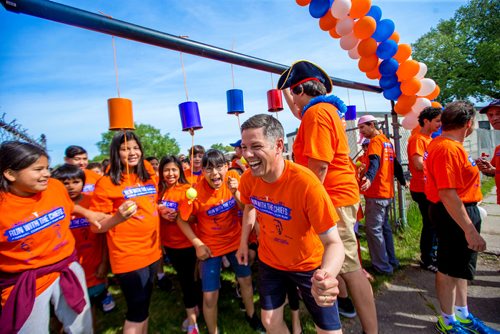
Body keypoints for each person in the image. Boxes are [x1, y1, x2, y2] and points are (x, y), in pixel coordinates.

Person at [278, 60, 377, 332]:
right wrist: (286, 89)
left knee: (349, 266)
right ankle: (342, 307)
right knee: (341, 262)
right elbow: (300, 113)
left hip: (332, 196)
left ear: (300, 91)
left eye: (293, 94)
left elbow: (319, 165)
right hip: (339, 195)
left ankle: (370, 329)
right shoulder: (323, 109)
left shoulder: (316, 114)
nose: (294, 105)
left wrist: (305, 202)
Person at [236, 114, 345, 334]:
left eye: (255, 146)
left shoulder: (306, 184)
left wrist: (326, 275)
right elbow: (249, 207)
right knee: (269, 320)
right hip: (270, 262)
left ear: (278, 145)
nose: (247, 155)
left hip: (307, 266)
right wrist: (242, 243)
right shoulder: (248, 179)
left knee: (328, 330)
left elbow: (334, 242)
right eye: (244, 146)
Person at [0, 141, 108, 333]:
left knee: (81, 326)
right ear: (10, 174)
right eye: (38, 169)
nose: (47, 174)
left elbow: (68, 205)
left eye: (47, 168)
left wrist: (87, 213)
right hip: (25, 282)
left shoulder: (55, 187)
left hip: (67, 267)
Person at [424, 101, 496, 334]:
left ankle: (462, 315)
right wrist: (469, 229)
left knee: (460, 267)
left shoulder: (450, 145)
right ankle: (447, 320)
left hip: (459, 210)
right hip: (454, 213)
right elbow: (447, 192)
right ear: (468, 123)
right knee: (448, 267)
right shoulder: (447, 148)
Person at [177, 149, 264, 334]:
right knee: (209, 296)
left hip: (235, 242)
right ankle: (213, 330)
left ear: (226, 167)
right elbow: (180, 219)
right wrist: (198, 244)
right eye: (208, 169)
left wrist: (235, 193)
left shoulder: (233, 177)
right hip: (211, 248)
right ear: (202, 171)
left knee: (246, 280)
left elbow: (246, 208)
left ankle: (251, 316)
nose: (215, 173)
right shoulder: (195, 191)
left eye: (219, 167)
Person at [90, 131, 162, 334]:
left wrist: (161, 210)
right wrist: (117, 218)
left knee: (144, 303)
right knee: (136, 309)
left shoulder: (146, 176)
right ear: (115, 152)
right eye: (124, 148)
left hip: (152, 250)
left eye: (135, 147)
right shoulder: (106, 183)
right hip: (128, 254)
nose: (132, 152)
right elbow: (96, 226)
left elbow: (150, 204)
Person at [51, 164, 116, 329]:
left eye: (76, 181)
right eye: (65, 183)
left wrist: (104, 262)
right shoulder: (52, 207)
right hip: (64, 269)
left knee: (89, 307)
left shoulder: (92, 202)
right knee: (62, 311)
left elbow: (103, 236)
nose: (71, 186)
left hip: (93, 265)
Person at [157, 155, 202, 334]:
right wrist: (161, 210)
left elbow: (195, 218)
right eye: (166, 170)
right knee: (188, 280)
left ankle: (192, 322)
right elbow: (152, 207)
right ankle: (197, 308)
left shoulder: (186, 189)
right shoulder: (159, 191)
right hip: (170, 245)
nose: (170, 173)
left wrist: (179, 216)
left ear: (180, 171)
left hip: (188, 244)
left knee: (188, 281)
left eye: (174, 169)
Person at [357, 115, 405, 276]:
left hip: (377, 192)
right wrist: (402, 180)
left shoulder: (375, 142)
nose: (361, 132)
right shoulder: (386, 141)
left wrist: (369, 178)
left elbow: (375, 160)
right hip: (387, 191)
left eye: (363, 127)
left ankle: (382, 267)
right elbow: (396, 164)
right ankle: (391, 261)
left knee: (373, 230)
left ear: (372, 125)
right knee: (385, 228)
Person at [407, 107, 443, 272]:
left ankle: (433, 255)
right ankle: (427, 258)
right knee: (430, 224)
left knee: (435, 224)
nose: (440, 124)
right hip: (422, 188)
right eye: (437, 121)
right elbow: (418, 164)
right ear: (426, 121)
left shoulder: (430, 139)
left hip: (431, 187)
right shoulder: (417, 139)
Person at [476, 99, 500, 205]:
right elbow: (495, 172)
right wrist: (487, 169)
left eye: (499, 114)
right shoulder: (498, 149)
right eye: (490, 115)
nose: (494, 118)